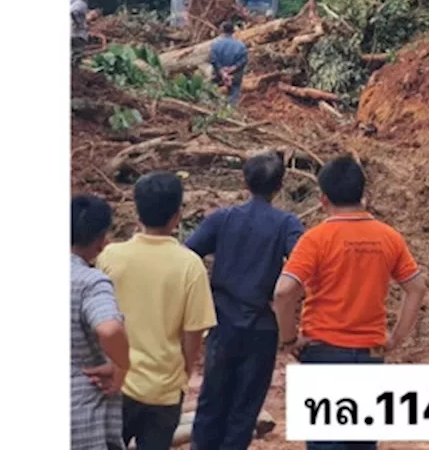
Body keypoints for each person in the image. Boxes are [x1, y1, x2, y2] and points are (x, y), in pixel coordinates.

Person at [273, 155, 426, 450]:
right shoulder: (389, 238)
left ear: (323, 199)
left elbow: (283, 292)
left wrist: (289, 339)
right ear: (363, 196)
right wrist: (394, 339)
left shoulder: (316, 239)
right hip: (370, 356)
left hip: (323, 355)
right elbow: (416, 288)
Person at [185, 152, 305, 449]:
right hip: (262, 327)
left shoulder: (223, 219)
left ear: (245, 181)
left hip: (222, 322)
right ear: (280, 186)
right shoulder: (286, 223)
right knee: (245, 406)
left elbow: (186, 256)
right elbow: (305, 264)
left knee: (212, 399)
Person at [98, 172, 217, 450]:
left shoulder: (110, 257)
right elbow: (194, 332)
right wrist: (183, 373)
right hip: (163, 391)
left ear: (137, 213)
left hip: (117, 385)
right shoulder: (190, 265)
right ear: (177, 217)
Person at [71, 195, 130, 450]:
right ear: (100, 240)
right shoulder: (89, 282)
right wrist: (122, 366)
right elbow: (109, 328)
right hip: (79, 420)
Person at [209, 20, 249, 105]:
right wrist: (233, 68)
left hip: (218, 74)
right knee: (234, 93)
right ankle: (232, 112)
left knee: (213, 91)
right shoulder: (241, 45)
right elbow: (244, 60)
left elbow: (213, 60)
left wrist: (222, 72)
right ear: (233, 31)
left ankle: (215, 109)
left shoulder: (215, 44)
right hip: (235, 75)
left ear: (221, 30)